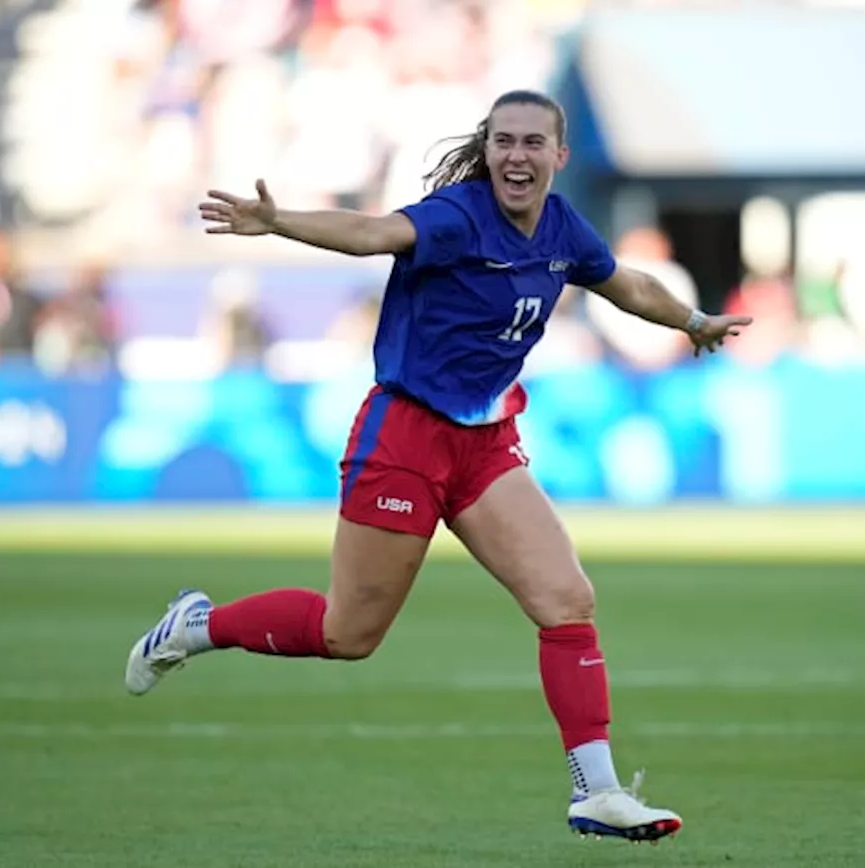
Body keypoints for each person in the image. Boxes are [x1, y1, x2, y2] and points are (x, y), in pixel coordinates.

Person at [125, 90, 750, 843]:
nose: (516, 156)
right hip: (405, 439)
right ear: (488, 151)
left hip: (485, 442)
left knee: (566, 599)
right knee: (347, 633)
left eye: (532, 143)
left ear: (560, 155)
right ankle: (198, 625)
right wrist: (278, 219)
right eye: (503, 142)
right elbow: (368, 233)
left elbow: (626, 284)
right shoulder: (457, 216)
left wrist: (692, 322)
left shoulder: (563, 229)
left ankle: (598, 791)